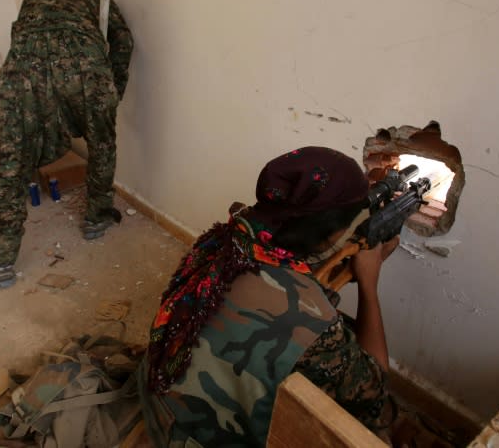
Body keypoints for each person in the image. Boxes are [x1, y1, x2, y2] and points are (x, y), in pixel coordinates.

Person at [138, 147, 399, 447]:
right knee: (378, 431)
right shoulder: (316, 325)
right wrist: (369, 283)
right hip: (187, 441)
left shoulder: (222, 240)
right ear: (330, 234)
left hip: (157, 405)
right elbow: (375, 394)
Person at [0, 0, 134, 287]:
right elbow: (123, 41)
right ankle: (96, 218)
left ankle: (3, 259)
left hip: (25, 61)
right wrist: (114, 89)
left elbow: (17, 37)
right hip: (83, 56)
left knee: (14, 159)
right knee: (102, 144)